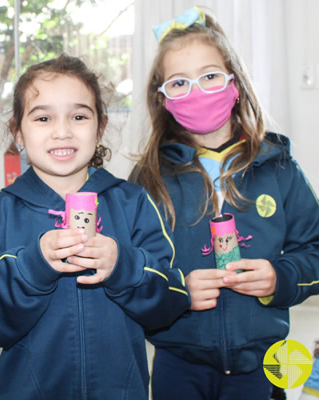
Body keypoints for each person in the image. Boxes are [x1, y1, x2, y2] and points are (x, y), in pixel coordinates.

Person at [0, 54, 191, 399]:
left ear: (99, 128)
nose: (62, 131)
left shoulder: (132, 203)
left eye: (79, 116)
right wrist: (32, 267)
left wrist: (122, 265)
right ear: (17, 132)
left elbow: (170, 303)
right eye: (43, 117)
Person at [129, 6, 319, 400]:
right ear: (161, 98)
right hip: (176, 362)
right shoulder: (148, 180)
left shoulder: (278, 168)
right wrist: (176, 291)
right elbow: (131, 272)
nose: (197, 92)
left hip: (263, 363)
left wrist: (279, 278)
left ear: (235, 83)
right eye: (179, 83)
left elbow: (314, 250)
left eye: (210, 76)